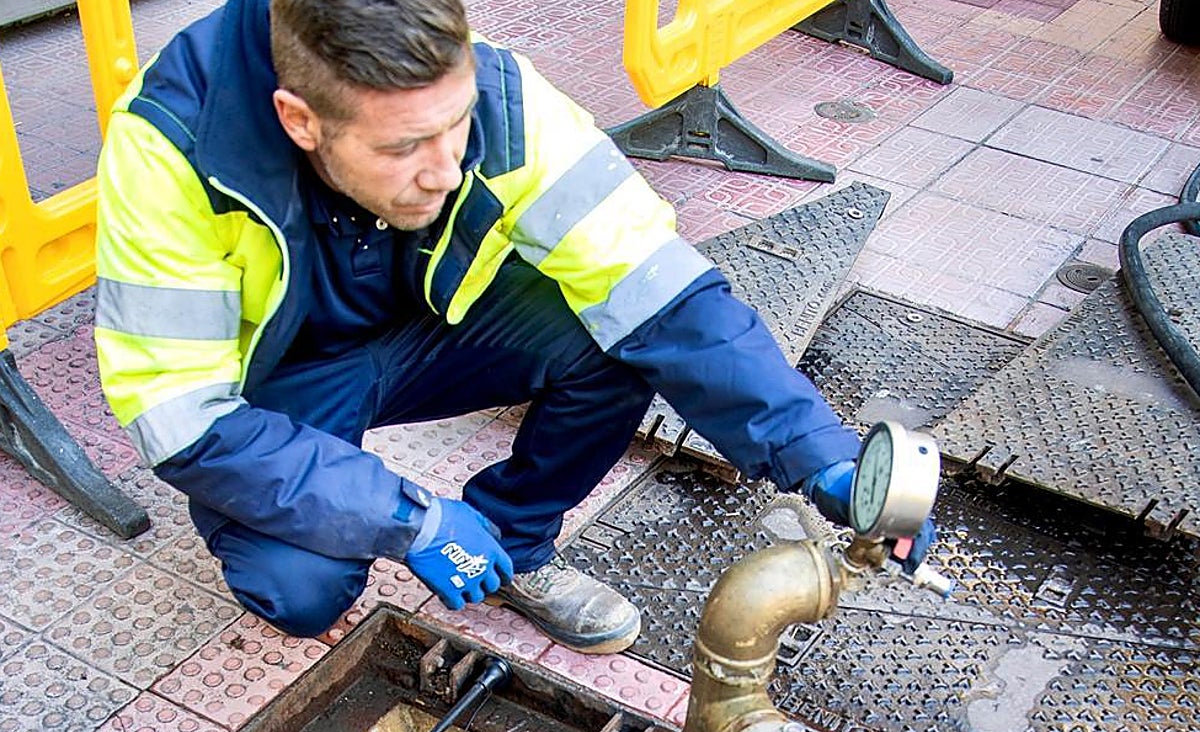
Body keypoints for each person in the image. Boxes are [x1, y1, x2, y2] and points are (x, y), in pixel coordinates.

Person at [93, 0, 934, 654]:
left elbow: (664, 295)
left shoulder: (499, 96)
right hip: (280, 384)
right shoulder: (172, 148)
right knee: (302, 588)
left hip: (424, 328)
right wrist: (410, 517)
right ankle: (427, 533)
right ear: (300, 119)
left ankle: (513, 547)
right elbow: (182, 423)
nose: (447, 168)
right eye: (405, 148)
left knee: (615, 333)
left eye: (456, 125)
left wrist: (819, 451)